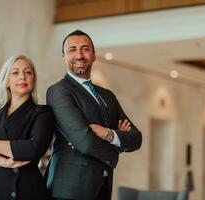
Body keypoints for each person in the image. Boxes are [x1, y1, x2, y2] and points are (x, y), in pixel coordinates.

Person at [46, 30, 142, 200]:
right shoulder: (59, 91)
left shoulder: (107, 96)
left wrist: (109, 134)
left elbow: (136, 137)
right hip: (69, 190)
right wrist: (116, 150)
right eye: (72, 50)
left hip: (103, 188)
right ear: (64, 56)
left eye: (85, 49)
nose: (79, 55)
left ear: (94, 55)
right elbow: (85, 142)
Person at [0, 55, 54, 200]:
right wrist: (4, 162)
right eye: (15, 72)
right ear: (6, 80)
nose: (22, 77)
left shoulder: (43, 112)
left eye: (28, 72)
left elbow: (33, 148)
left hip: (27, 191)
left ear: (33, 79)